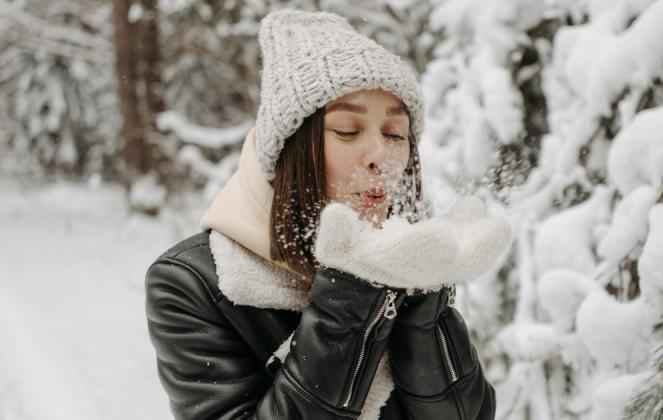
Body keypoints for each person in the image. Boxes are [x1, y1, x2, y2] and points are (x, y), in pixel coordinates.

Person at [144, 8, 511, 420]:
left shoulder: (405, 260)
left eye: (395, 134)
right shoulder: (192, 284)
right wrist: (350, 296)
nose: (382, 157)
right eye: (348, 131)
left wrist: (425, 308)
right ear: (290, 149)